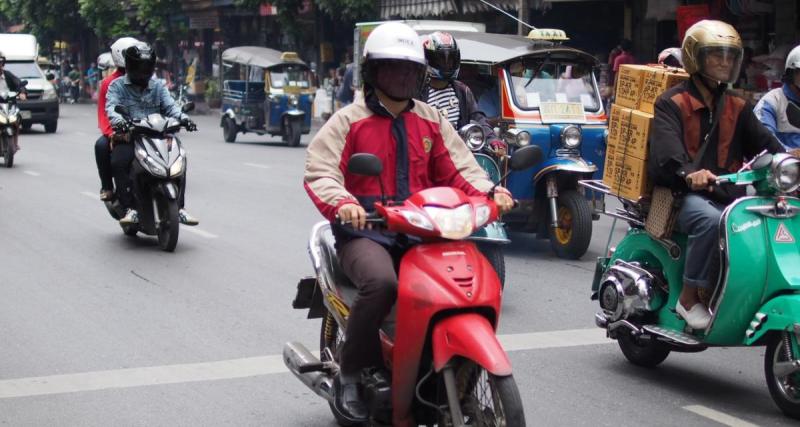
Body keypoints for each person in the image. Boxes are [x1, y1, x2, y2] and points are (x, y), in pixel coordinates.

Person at [303, 22, 514, 423]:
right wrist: (344, 202)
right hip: (368, 231)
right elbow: (321, 170)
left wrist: (490, 194)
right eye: (392, 68)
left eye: (409, 70)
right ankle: (350, 374)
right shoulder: (349, 120)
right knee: (382, 284)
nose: (402, 76)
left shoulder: (432, 120)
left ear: (420, 75)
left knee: (464, 283)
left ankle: (451, 372)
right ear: (373, 73)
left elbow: (461, 170)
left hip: (424, 231)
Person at [648, 20, 784, 330]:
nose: (724, 63)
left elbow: (767, 146)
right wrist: (689, 174)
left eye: (729, 56)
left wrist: (787, 163)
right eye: (715, 55)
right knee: (710, 221)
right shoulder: (671, 103)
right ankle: (689, 296)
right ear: (696, 58)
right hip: (682, 195)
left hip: (728, 194)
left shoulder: (737, 106)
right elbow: (667, 155)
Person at [106, 42, 199, 226]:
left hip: (158, 135)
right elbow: (111, 108)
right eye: (139, 67)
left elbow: (171, 107)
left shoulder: (158, 86)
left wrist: (184, 119)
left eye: (147, 68)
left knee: (180, 158)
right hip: (131, 136)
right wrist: (120, 122)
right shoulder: (117, 86)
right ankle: (129, 208)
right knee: (119, 162)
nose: (143, 72)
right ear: (130, 66)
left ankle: (180, 208)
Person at [418, 31, 504, 151]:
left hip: (458, 154)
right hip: (426, 153)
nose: (447, 64)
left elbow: (478, 118)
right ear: (428, 59)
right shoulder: (417, 91)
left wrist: (492, 139)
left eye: (450, 60)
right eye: (441, 60)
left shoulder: (462, 91)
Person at [95, 37, 138, 201]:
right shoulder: (109, 83)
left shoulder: (148, 80)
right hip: (122, 131)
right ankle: (107, 187)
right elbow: (104, 113)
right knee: (101, 146)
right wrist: (112, 132)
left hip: (146, 129)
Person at [754, 45, 800, 149]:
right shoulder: (772, 101)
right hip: (783, 162)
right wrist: (790, 155)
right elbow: (763, 140)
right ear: (791, 74)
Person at [0, 52, 27, 152]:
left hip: (9, 104)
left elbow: (19, 84)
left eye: (0, 63)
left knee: (16, 119)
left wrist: (22, 93)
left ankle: (15, 143)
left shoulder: (8, 75)